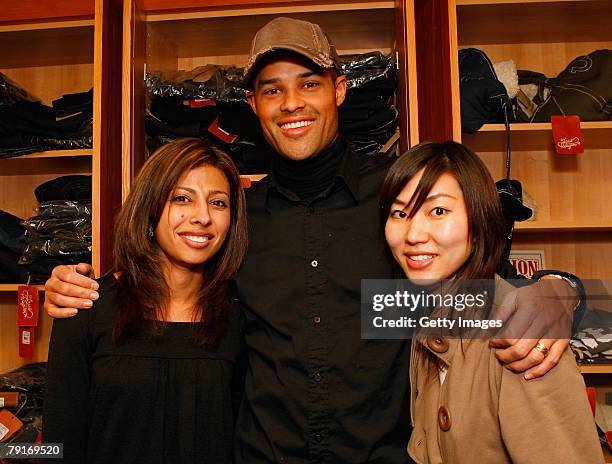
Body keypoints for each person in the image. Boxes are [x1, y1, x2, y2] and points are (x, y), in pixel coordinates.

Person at [43, 17, 580, 463]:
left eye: (308, 83)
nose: (291, 103)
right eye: (272, 89)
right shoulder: (237, 224)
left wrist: (562, 290)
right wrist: (72, 288)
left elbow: (467, 289)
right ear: (254, 104)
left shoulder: (393, 202)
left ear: (339, 89)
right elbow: (162, 289)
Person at [381, 140, 602, 463]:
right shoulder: (430, 315)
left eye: (438, 211)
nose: (413, 234)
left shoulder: (521, 333)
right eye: (400, 213)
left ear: (478, 222)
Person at [43, 138, 248, 464]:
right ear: (150, 208)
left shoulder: (240, 319)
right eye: (182, 198)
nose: (202, 217)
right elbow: (58, 445)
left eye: (219, 203)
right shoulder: (84, 306)